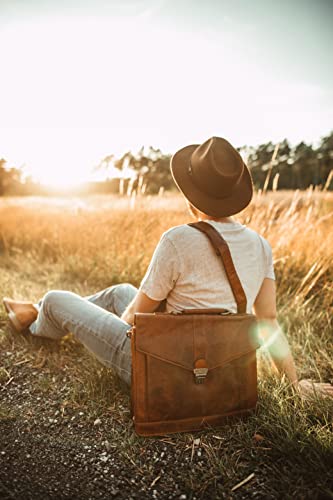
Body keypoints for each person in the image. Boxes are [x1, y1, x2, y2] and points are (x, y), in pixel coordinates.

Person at [3, 137, 332, 399]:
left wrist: (103, 331)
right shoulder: (261, 246)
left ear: (192, 200)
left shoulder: (178, 240)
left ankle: (38, 317)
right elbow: (268, 321)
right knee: (119, 290)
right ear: (234, 195)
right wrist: (293, 384)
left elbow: (135, 318)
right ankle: (36, 312)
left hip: (164, 371)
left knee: (58, 297)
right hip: (219, 372)